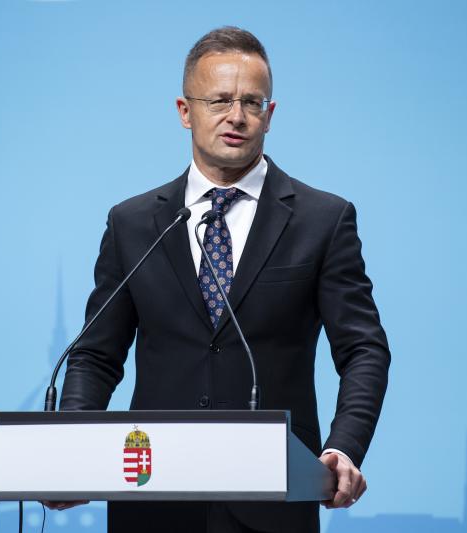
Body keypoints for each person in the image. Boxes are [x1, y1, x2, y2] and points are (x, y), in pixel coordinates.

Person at [46, 26, 391, 533]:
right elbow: (97, 354)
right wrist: (72, 448)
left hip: (274, 500)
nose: (237, 116)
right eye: (220, 100)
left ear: (270, 115)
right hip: (152, 501)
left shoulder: (323, 219)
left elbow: (364, 349)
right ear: (185, 111)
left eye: (252, 102)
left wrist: (344, 447)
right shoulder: (132, 223)